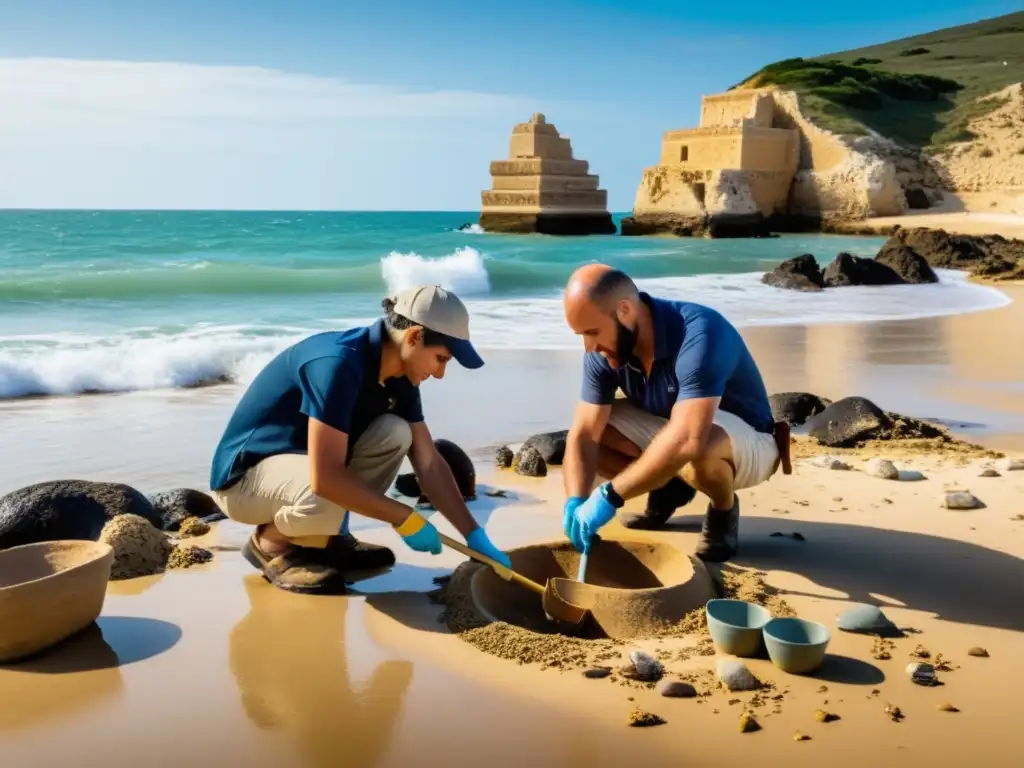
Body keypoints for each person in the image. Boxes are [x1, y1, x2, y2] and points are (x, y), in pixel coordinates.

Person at [209, 284, 511, 595]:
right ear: (414, 337)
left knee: (396, 432)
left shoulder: (400, 375)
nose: (440, 374)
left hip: (299, 474)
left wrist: (474, 535)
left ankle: (325, 538)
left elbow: (428, 461)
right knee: (327, 487)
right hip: (244, 482)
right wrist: (404, 517)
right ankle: (272, 543)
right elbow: (326, 480)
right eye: (441, 359)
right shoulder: (338, 363)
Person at [560, 264, 789, 563]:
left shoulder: (700, 332)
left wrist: (608, 497)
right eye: (581, 335)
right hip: (678, 428)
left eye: (592, 332)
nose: (589, 347)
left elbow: (688, 438)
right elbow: (583, 435)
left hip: (751, 444)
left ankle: (723, 510)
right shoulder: (603, 350)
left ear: (625, 310)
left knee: (699, 444)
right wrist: (576, 501)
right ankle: (669, 483)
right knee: (595, 429)